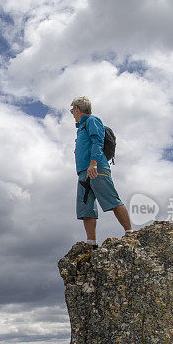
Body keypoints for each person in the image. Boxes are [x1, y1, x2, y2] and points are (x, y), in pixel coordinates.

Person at [70, 96, 133, 246]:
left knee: (111, 198)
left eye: (72, 110)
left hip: (96, 168)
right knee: (86, 207)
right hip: (84, 172)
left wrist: (93, 164)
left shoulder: (92, 120)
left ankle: (130, 233)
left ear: (78, 109)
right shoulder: (81, 128)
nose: (72, 113)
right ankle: (91, 243)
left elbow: (97, 141)